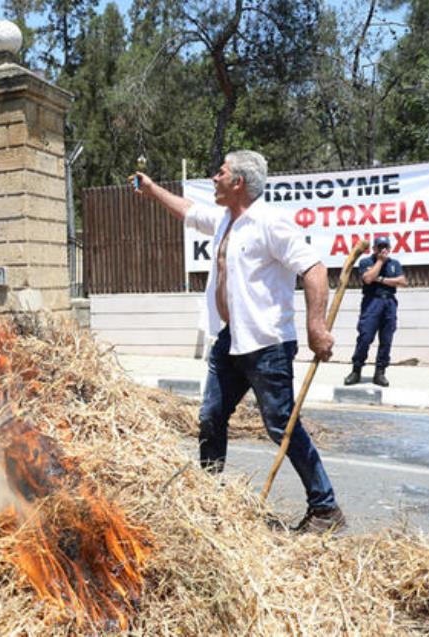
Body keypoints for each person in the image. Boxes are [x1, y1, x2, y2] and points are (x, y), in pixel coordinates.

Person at [131, 150, 345, 533]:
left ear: (238, 182)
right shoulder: (224, 220)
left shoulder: (270, 222)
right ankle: (209, 501)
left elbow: (314, 269)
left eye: (221, 172)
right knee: (211, 416)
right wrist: (152, 190)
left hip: (267, 344)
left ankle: (325, 508)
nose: (214, 177)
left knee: (282, 425)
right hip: (230, 340)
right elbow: (189, 211)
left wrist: (317, 327)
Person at [344, 236, 406, 387]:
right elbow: (368, 279)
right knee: (365, 336)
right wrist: (380, 261)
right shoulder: (366, 262)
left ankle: (380, 372)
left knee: (386, 339)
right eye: (380, 247)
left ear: (390, 248)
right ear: (374, 248)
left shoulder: (394, 263)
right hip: (372, 301)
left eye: (385, 247)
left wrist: (381, 279)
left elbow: (402, 281)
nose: (383, 250)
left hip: (389, 302)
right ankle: (356, 369)